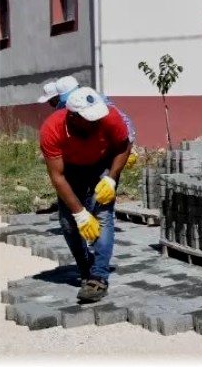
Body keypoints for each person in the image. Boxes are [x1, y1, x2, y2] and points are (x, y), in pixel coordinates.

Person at [39, 86, 133, 303]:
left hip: (102, 165)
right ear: (73, 116)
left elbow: (123, 146)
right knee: (69, 223)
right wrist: (79, 213)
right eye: (89, 119)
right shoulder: (52, 128)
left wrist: (111, 177)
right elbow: (58, 176)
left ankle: (98, 277)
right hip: (70, 170)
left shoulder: (108, 117)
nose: (96, 122)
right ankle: (86, 268)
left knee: (103, 217)